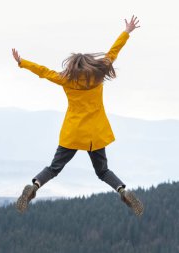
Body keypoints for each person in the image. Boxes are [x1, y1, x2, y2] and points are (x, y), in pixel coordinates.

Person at [12, 15, 143, 216]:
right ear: (90, 64)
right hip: (94, 135)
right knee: (103, 171)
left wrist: (22, 62)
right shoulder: (98, 75)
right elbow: (113, 52)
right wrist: (126, 32)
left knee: (54, 168)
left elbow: (44, 72)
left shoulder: (66, 80)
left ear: (73, 66)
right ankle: (122, 190)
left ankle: (35, 186)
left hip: (73, 133)